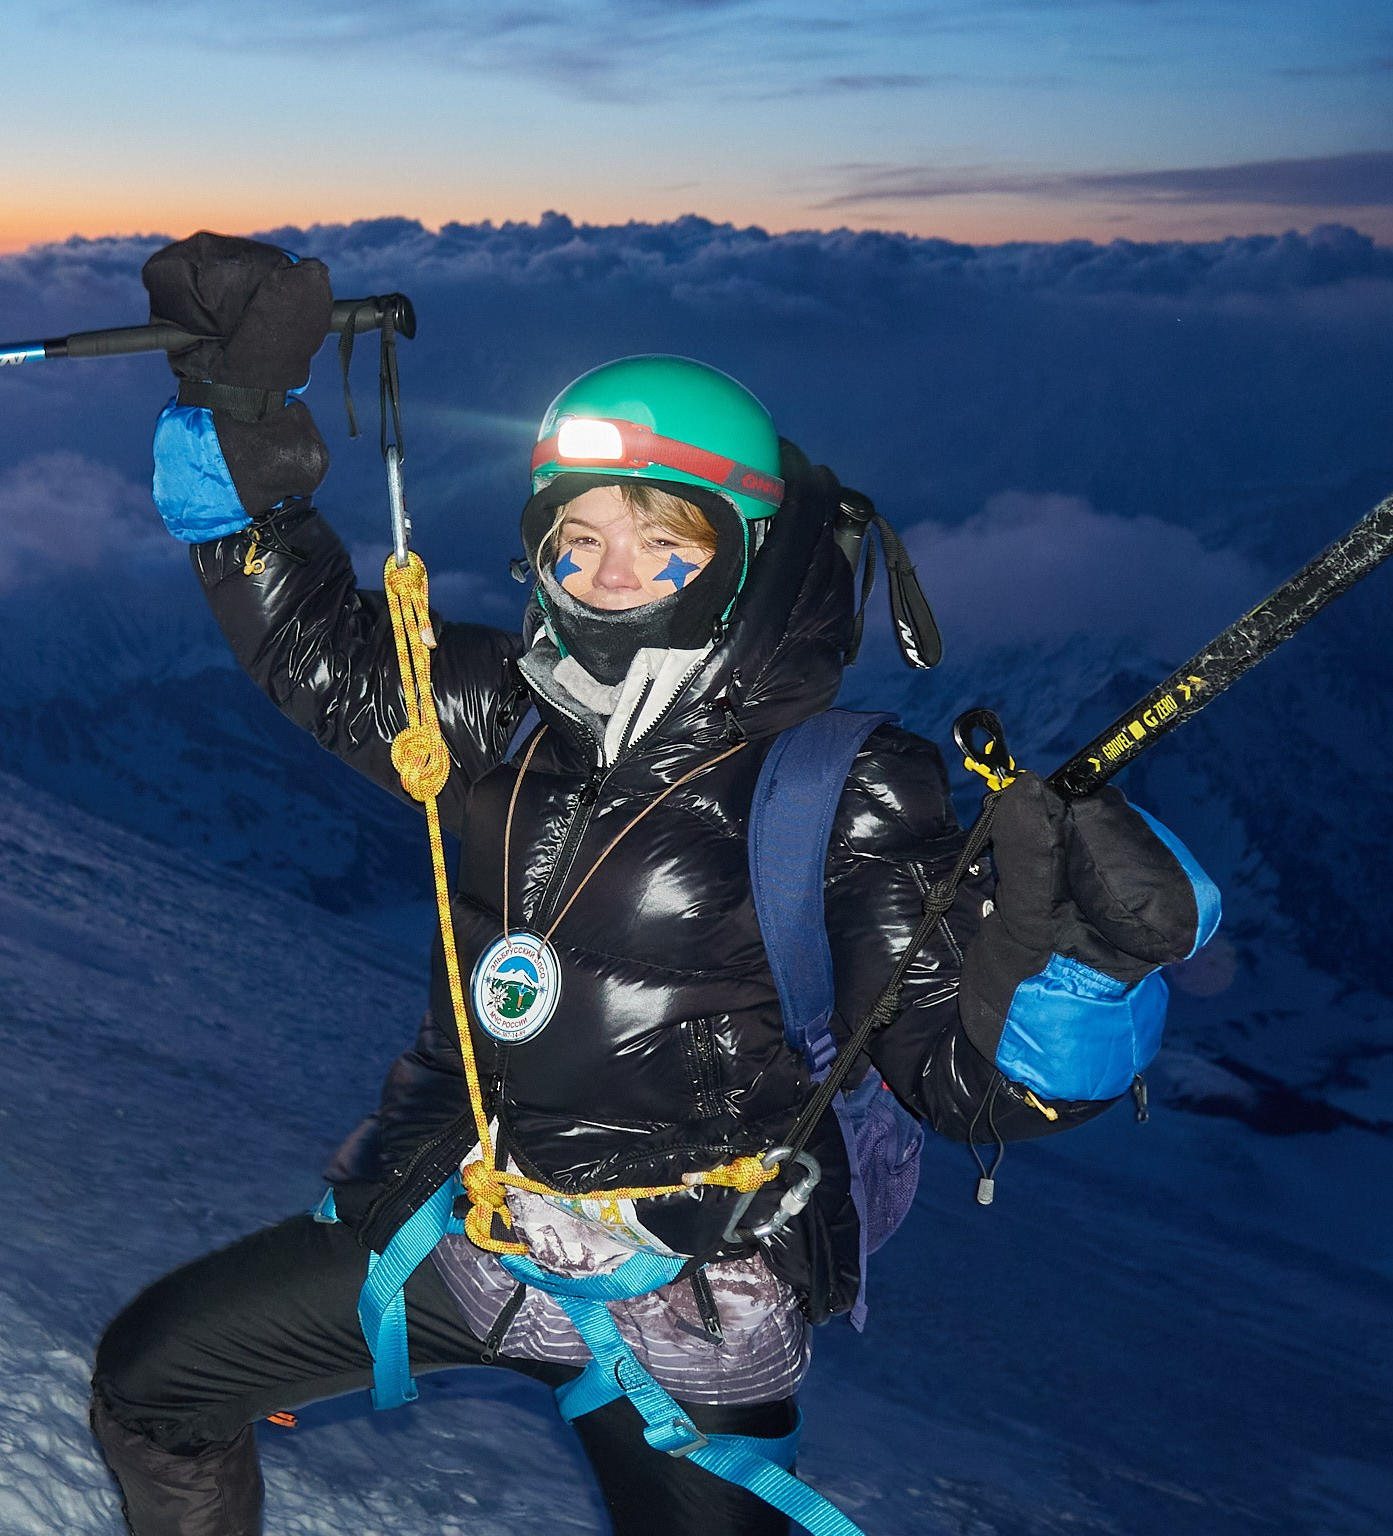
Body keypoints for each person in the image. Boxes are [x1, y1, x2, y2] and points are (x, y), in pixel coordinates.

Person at [90, 234, 1217, 1536]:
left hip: (685, 1309)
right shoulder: (501, 716)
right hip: (458, 1229)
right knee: (152, 1384)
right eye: (575, 539)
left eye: (658, 538)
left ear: (744, 554)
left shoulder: (837, 783)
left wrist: (1089, 966)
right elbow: (313, 649)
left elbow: (957, 1079)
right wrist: (237, 423)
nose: (605, 574)